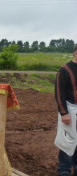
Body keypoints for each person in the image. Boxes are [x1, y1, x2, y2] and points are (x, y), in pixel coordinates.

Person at [55, 44, 77, 175]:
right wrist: (64, 113)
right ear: (75, 53)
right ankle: (64, 171)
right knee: (68, 141)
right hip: (70, 110)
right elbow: (59, 92)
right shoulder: (64, 69)